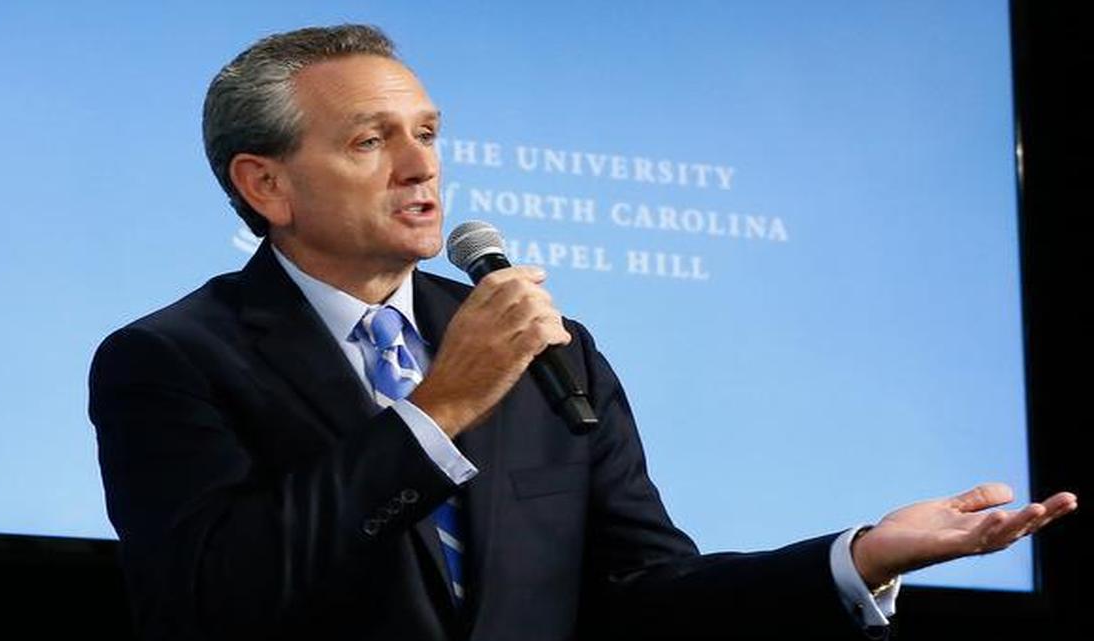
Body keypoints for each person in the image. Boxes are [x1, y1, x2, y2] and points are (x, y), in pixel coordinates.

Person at [88, 25, 1077, 641]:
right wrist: (438, 411)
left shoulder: (551, 348)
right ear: (265, 184)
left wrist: (856, 556)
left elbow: (646, 593)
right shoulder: (172, 359)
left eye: (427, 131)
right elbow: (215, 595)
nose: (418, 166)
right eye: (368, 140)